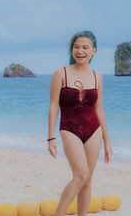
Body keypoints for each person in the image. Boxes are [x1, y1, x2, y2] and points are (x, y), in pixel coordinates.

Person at [47, 30, 113, 216]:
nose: (80, 51)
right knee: (81, 175)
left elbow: (99, 109)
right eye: (76, 47)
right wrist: (50, 137)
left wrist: (107, 141)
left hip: (94, 130)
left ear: (94, 51)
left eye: (85, 47)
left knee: (88, 180)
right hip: (69, 128)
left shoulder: (97, 77)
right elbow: (53, 106)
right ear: (71, 50)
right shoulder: (61, 73)